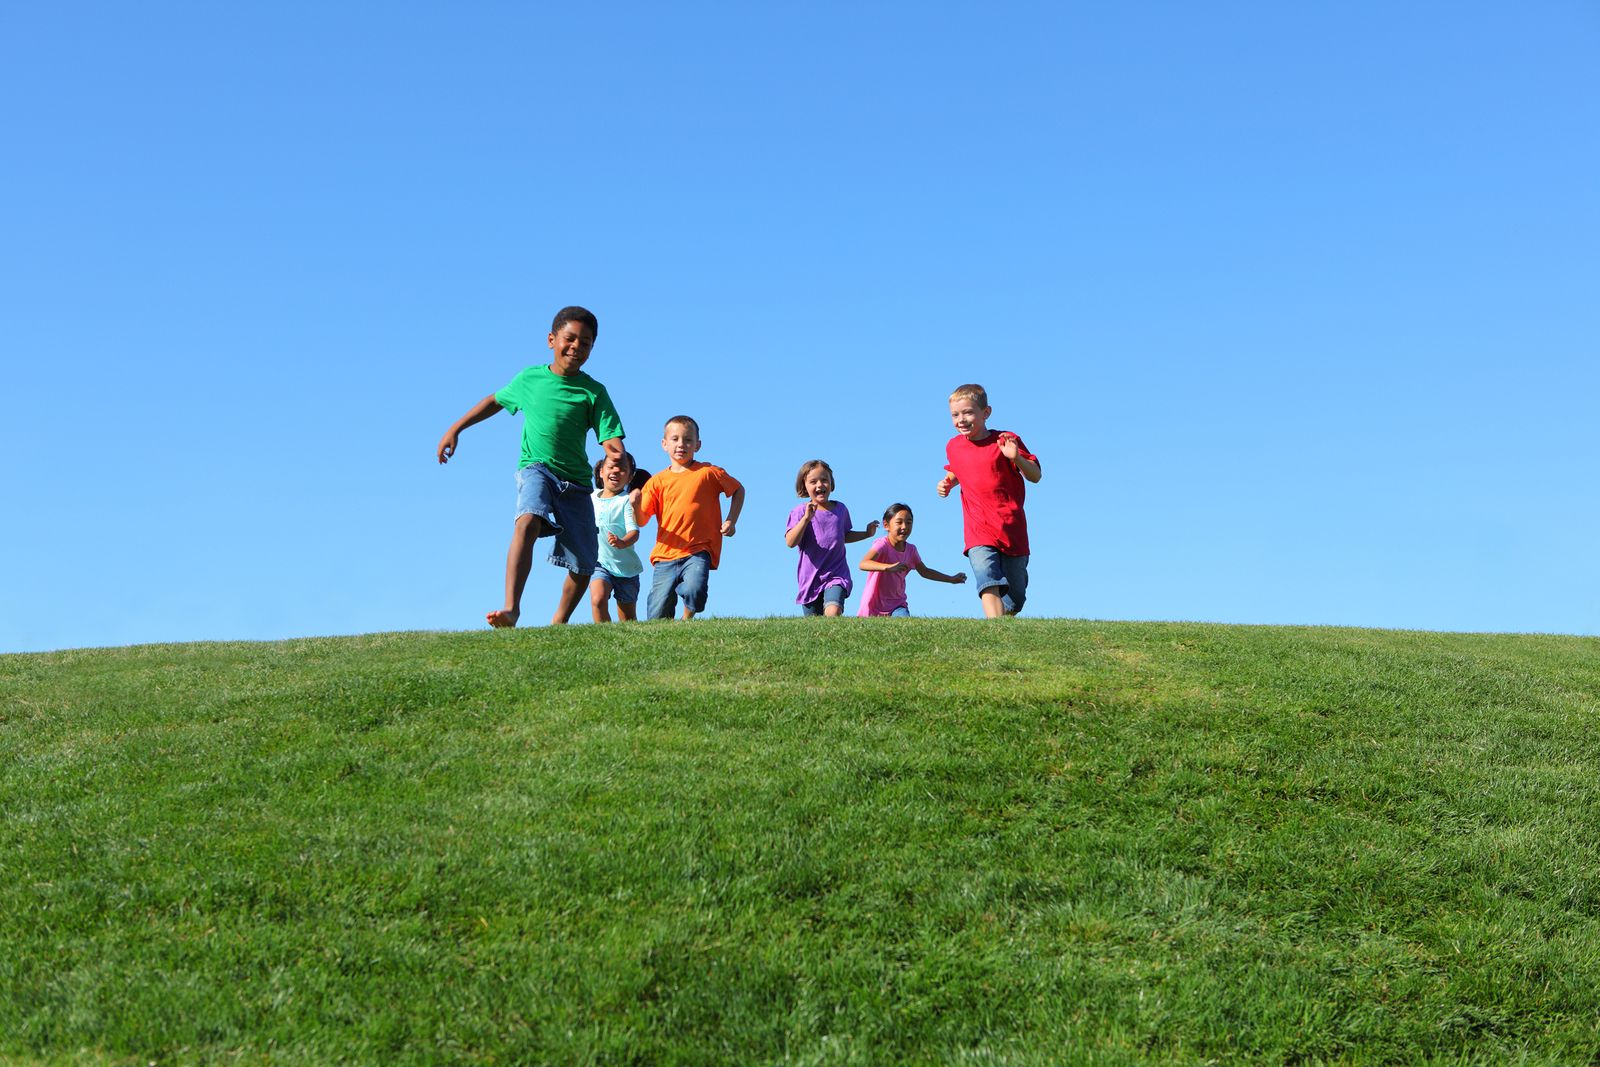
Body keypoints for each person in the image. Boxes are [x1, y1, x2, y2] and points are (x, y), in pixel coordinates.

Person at [436, 306, 625, 628]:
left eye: (586, 343)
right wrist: (456, 428)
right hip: (536, 468)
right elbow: (495, 401)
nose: (576, 347)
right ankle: (512, 608)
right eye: (570, 339)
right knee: (527, 520)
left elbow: (610, 435)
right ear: (552, 339)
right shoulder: (530, 379)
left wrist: (615, 450)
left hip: (575, 482)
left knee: (583, 564)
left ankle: (558, 622)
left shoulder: (594, 392)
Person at [936, 383, 1041, 618]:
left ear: (986, 413)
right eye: (955, 415)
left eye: (968, 413)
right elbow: (958, 469)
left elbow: (1035, 476)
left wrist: (1016, 459)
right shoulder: (953, 446)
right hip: (978, 528)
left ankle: (1002, 622)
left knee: (1016, 597)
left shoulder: (1005, 440)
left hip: (1011, 528)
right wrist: (948, 482)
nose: (961, 420)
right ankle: (993, 631)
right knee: (986, 573)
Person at [634, 415, 745, 620]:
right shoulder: (657, 481)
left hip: (698, 549)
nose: (681, 444)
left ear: (698, 445)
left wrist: (731, 520)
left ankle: (686, 619)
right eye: (675, 439)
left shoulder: (708, 472)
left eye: (687, 440)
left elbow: (738, 490)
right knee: (657, 614)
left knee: (695, 590)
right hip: (665, 555)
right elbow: (641, 520)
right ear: (664, 444)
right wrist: (634, 505)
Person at [784, 459, 878, 616]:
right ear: (804, 486)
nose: (819, 485)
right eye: (813, 481)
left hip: (836, 574)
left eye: (824, 480)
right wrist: (806, 519)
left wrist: (866, 534)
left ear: (831, 484)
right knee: (815, 629)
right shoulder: (800, 512)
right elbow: (790, 542)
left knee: (832, 612)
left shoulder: (840, 509)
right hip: (810, 579)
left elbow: (843, 536)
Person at [857, 503, 967, 616]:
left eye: (909, 522)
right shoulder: (882, 544)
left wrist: (951, 579)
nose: (904, 527)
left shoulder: (911, 550)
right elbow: (863, 563)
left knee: (904, 626)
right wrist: (888, 567)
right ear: (886, 525)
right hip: (874, 606)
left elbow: (925, 572)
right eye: (899, 522)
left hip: (897, 605)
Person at [590, 451, 644, 622]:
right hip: (599, 564)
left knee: (627, 619)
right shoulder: (590, 498)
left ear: (629, 477)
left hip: (626, 569)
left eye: (622, 469)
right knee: (598, 600)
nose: (615, 471)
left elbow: (634, 532)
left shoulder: (626, 501)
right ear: (601, 471)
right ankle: (602, 638)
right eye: (610, 467)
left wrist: (622, 542)